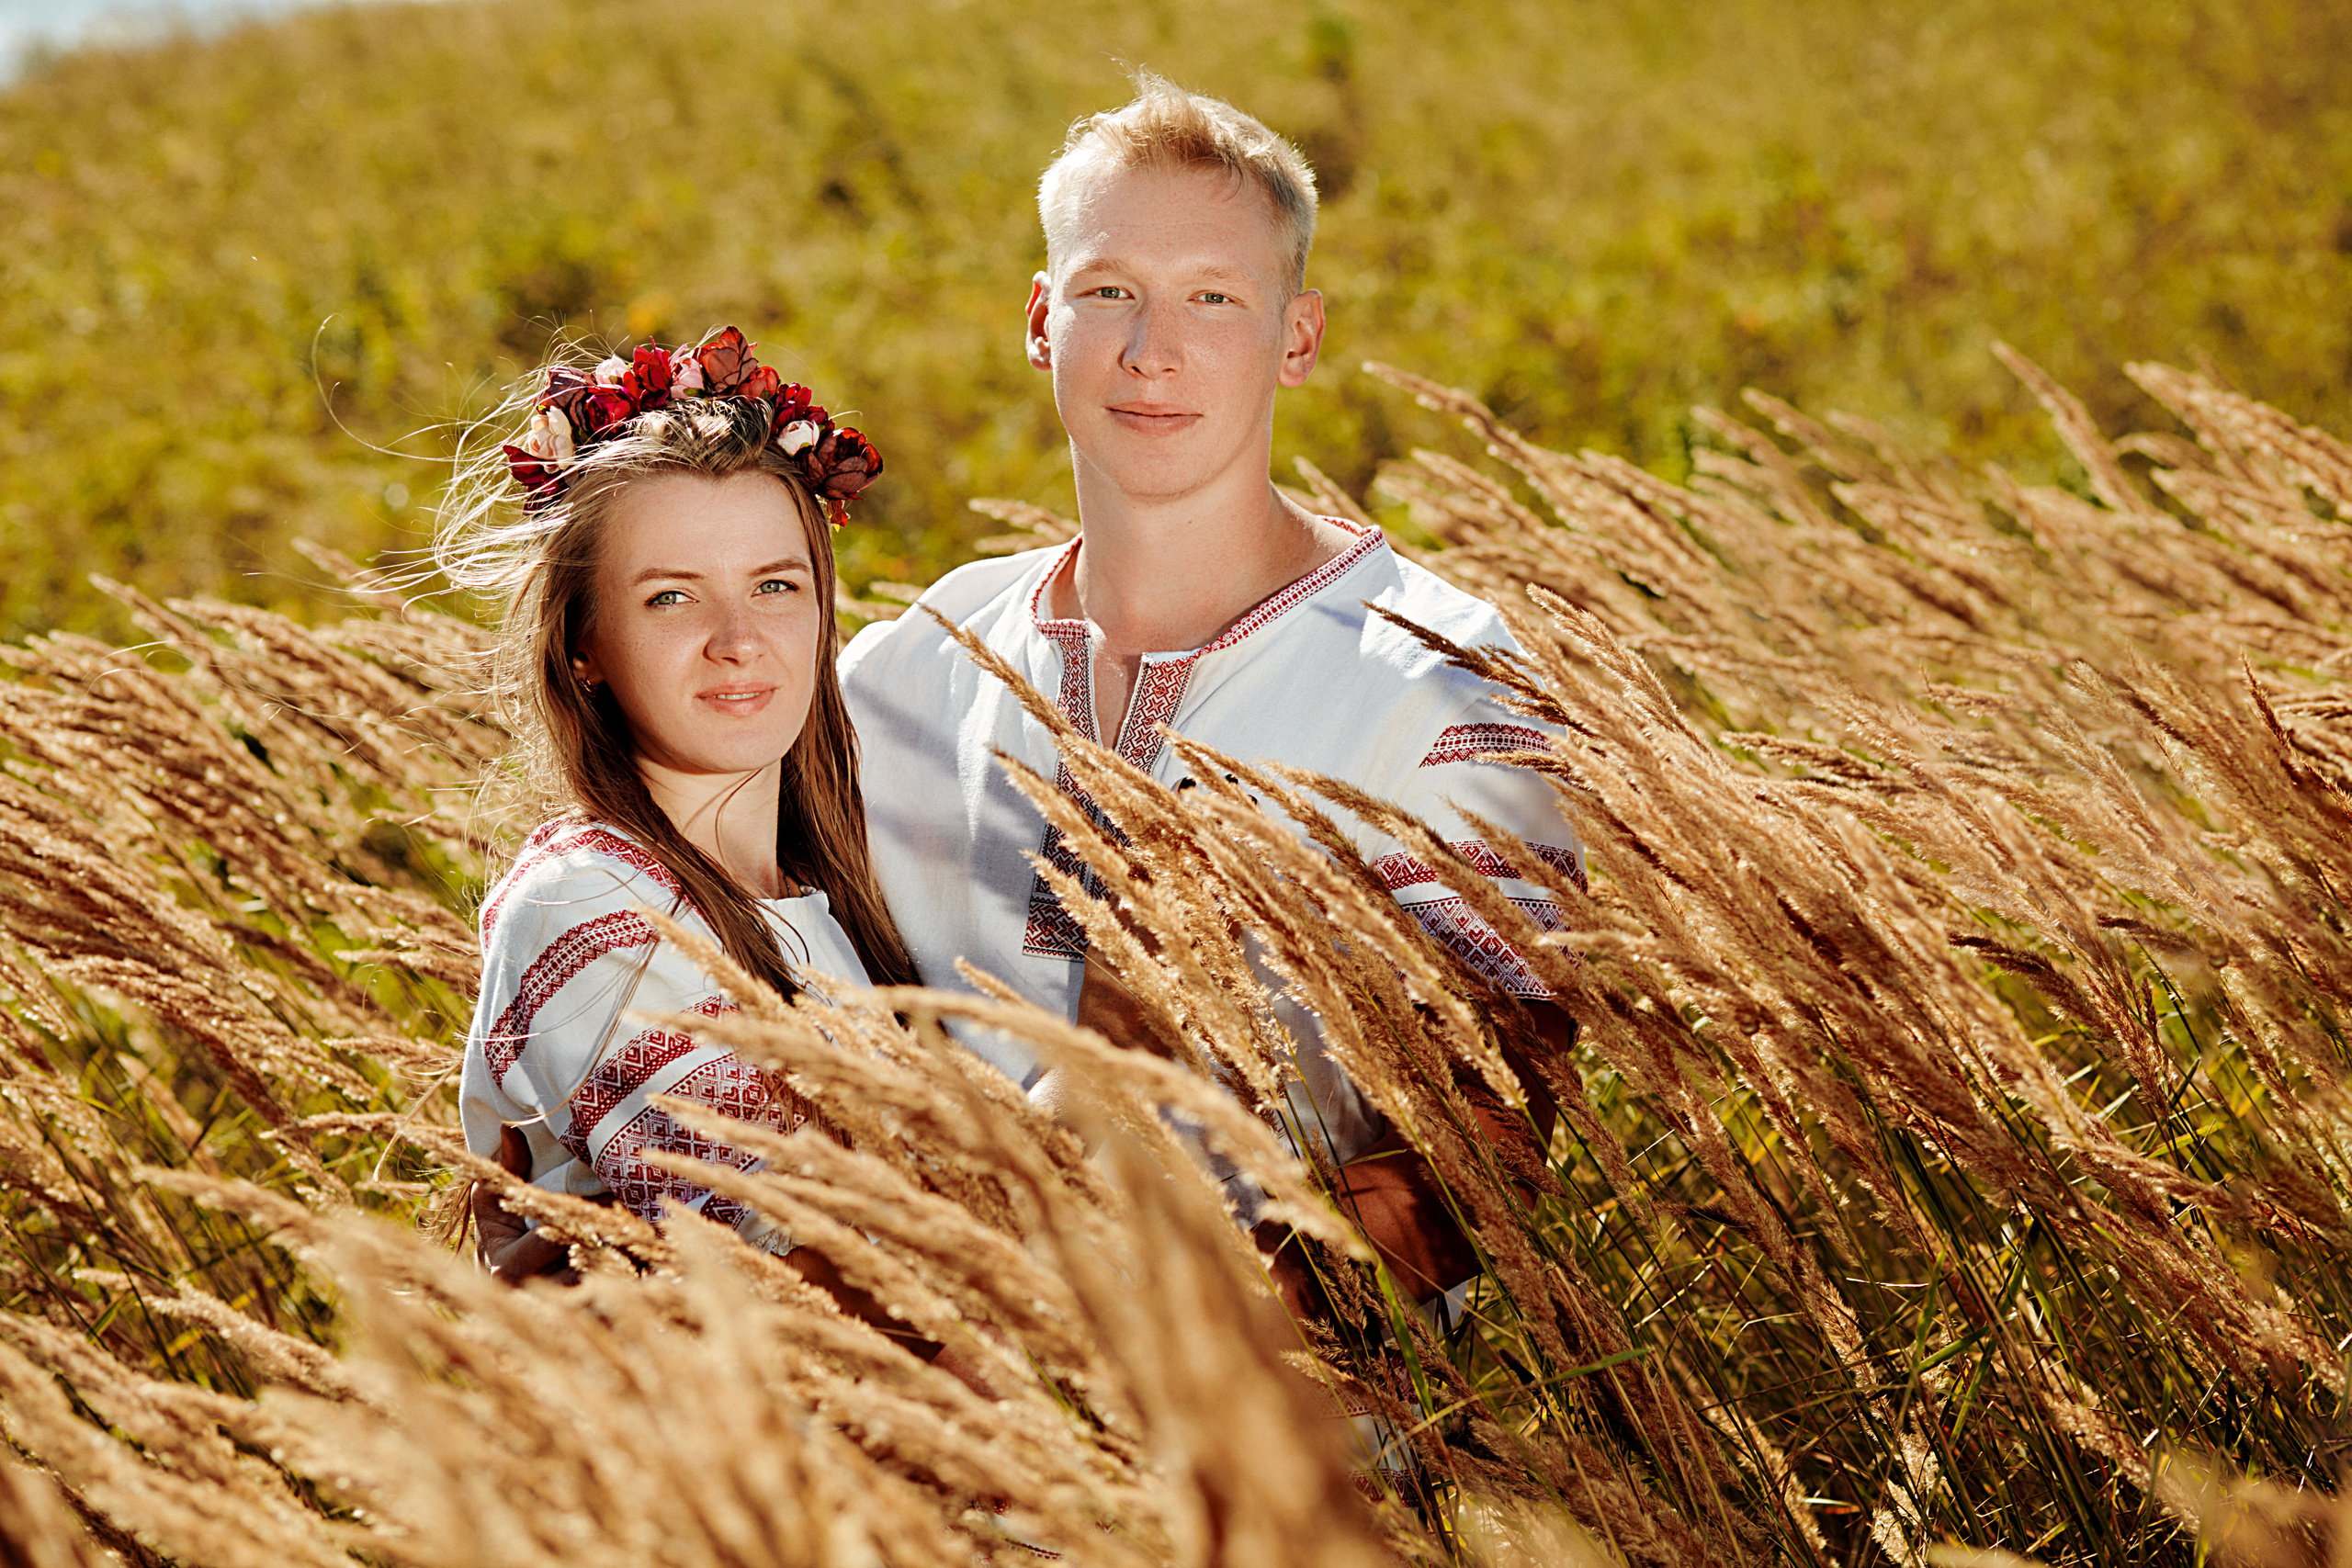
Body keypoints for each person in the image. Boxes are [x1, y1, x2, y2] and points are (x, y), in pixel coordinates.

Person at [837, 75, 1583, 1313]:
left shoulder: (1439, 677)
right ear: (1040, 318)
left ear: (1298, 335)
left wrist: (1130, 1339)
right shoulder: (905, 667)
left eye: (1214, 297)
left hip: (1295, 1456)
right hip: (927, 1460)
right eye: (1108, 289)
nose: (1151, 349)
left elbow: (1481, 1178)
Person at [443, 326, 920, 1291]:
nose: (739, 641)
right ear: (584, 645)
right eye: (670, 600)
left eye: (776, 586)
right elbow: (788, 1287)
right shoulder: (592, 905)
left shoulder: (838, 889)